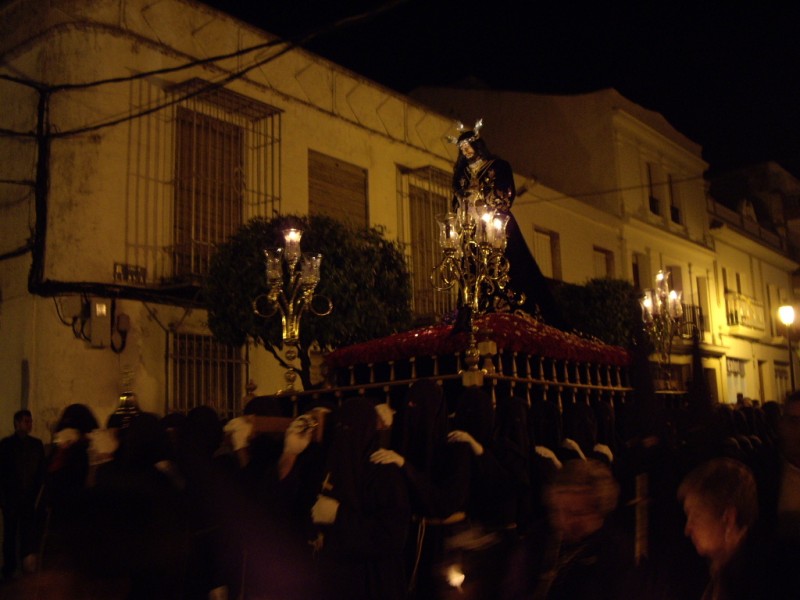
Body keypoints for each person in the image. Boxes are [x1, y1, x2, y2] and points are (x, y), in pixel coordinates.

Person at [449, 120, 570, 330]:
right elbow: (456, 201)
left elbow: (505, 195)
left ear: (478, 145)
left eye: (468, 145)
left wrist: (482, 199)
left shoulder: (498, 166)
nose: (466, 150)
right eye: (462, 148)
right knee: (471, 271)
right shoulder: (461, 176)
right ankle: (472, 312)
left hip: (496, 227)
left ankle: (513, 310)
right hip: (471, 231)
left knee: (512, 267)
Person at [311, 396, 411, 600]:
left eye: (351, 428)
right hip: (339, 579)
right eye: (341, 427)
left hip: (374, 580)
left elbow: (391, 535)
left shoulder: (384, 472)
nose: (345, 434)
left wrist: (338, 515)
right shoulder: (333, 465)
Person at [502, 458, 635, 600]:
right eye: (556, 511)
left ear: (600, 512)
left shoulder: (616, 554)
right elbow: (513, 589)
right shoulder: (538, 540)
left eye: (576, 513)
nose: (563, 521)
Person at [677, 456, 784, 600]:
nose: (687, 529)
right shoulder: (718, 570)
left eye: (696, 516)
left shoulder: (763, 580)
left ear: (728, 519)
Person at [0, 410, 45, 580]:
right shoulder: (6, 445)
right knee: (10, 535)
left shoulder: (36, 445)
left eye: (30, 421)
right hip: (11, 498)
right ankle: (9, 568)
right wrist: (3, 499)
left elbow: (40, 472)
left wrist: (38, 495)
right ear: (17, 423)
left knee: (26, 533)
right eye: (26, 421)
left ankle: (25, 566)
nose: (29, 424)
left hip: (29, 498)